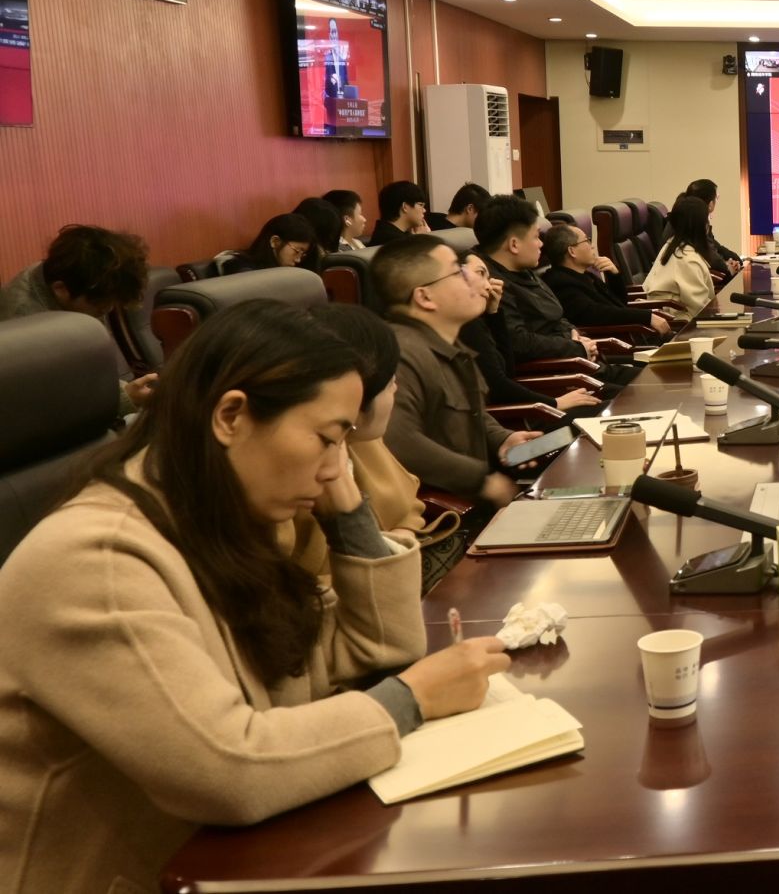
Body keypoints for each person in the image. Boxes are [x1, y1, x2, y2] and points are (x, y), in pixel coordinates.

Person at [0, 301, 508, 893]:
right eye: (326, 439)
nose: (335, 468)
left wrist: (348, 511)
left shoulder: (220, 524)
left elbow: (374, 650)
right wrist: (413, 699)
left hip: (229, 858)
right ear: (231, 416)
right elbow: (228, 770)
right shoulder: (98, 559)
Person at [288, 304, 461, 586]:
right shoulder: (290, 476)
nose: (396, 389)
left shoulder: (362, 439)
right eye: (390, 381)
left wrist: (400, 540)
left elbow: (408, 505)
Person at [373, 236, 548, 505]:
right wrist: (481, 480)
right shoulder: (400, 354)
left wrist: (503, 438)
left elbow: (469, 412)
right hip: (448, 514)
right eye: (458, 273)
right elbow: (398, 441)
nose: (473, 282)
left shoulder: (447, 342)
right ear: (425, 297)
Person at [0, 224, 157, 409]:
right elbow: (51, 407)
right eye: (100, 303)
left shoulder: (66, 277)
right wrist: (125, 398)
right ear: (60, 289)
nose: (107, 309)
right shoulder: (25, 328)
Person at [457, 251, 602, 414]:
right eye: (480, 273)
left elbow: (508, 371)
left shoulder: (479, 320)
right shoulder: (467, 325)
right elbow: (498, 387)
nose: (489, 286)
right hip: (515, 416)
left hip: (524, 408)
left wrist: (494, 314)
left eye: (488, 277)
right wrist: (555, 403)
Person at [475, 195, 605, 369]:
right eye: (536, 237)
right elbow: (520, 343)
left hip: (575, 360)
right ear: (514, 245)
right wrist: (575, 347)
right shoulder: (493, 286)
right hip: (557, 374)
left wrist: (573, 333)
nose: (541, 244)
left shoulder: (523, 270)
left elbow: (557, 315)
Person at [542, 223, 672, 335]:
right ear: (572, 251)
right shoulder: (561, 284)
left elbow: (619, 303)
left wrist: (614, 275)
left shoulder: (583, 275)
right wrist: (646, 317)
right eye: (587, 240)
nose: (592, 246)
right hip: (612, 344)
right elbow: (597, 313)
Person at [644, 195, 721, 320]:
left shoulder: (671, 245)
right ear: (700, 225)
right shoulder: (688, 259)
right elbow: (700, 310)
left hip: (669, 314)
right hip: (679, 322)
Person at [220, 213, 321, 274]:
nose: (298, 260)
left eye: (303, 255)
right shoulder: (238, 266)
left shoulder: (285, 272)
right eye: (297, 251)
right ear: (275, 242)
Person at [683, 179, 744, 278]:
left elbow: (715, 246)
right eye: (716, 198)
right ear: (710, 204)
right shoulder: (693, 222)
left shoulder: (687, 217)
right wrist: (727, 267)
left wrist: (733, 260)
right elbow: (710, 255)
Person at [370, 181, 428, 246]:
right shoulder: (394, 241)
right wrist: (422, 239)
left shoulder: (386, 233)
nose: (424, 210)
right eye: (420, 205)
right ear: (405, 207)